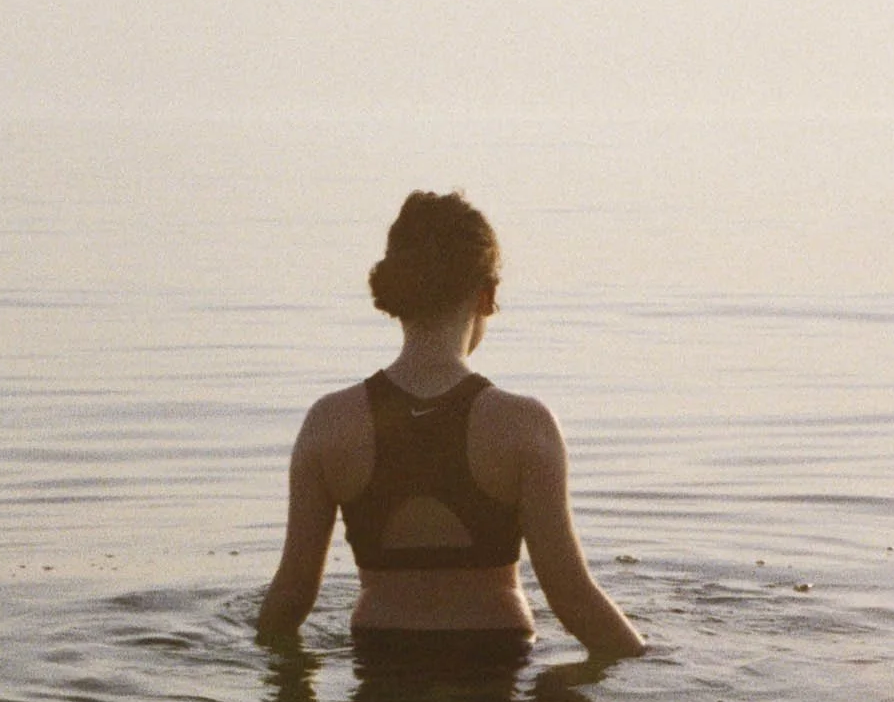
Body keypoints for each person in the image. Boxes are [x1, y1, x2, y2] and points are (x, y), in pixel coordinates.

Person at [256, 190, 645, 660]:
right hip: (495, 666)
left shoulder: (329, 423)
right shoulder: (525, 426)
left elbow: (291, 598)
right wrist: (654, 665)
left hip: (379, 665)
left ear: (399, 290)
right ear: (486, 295)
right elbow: (572, 599)